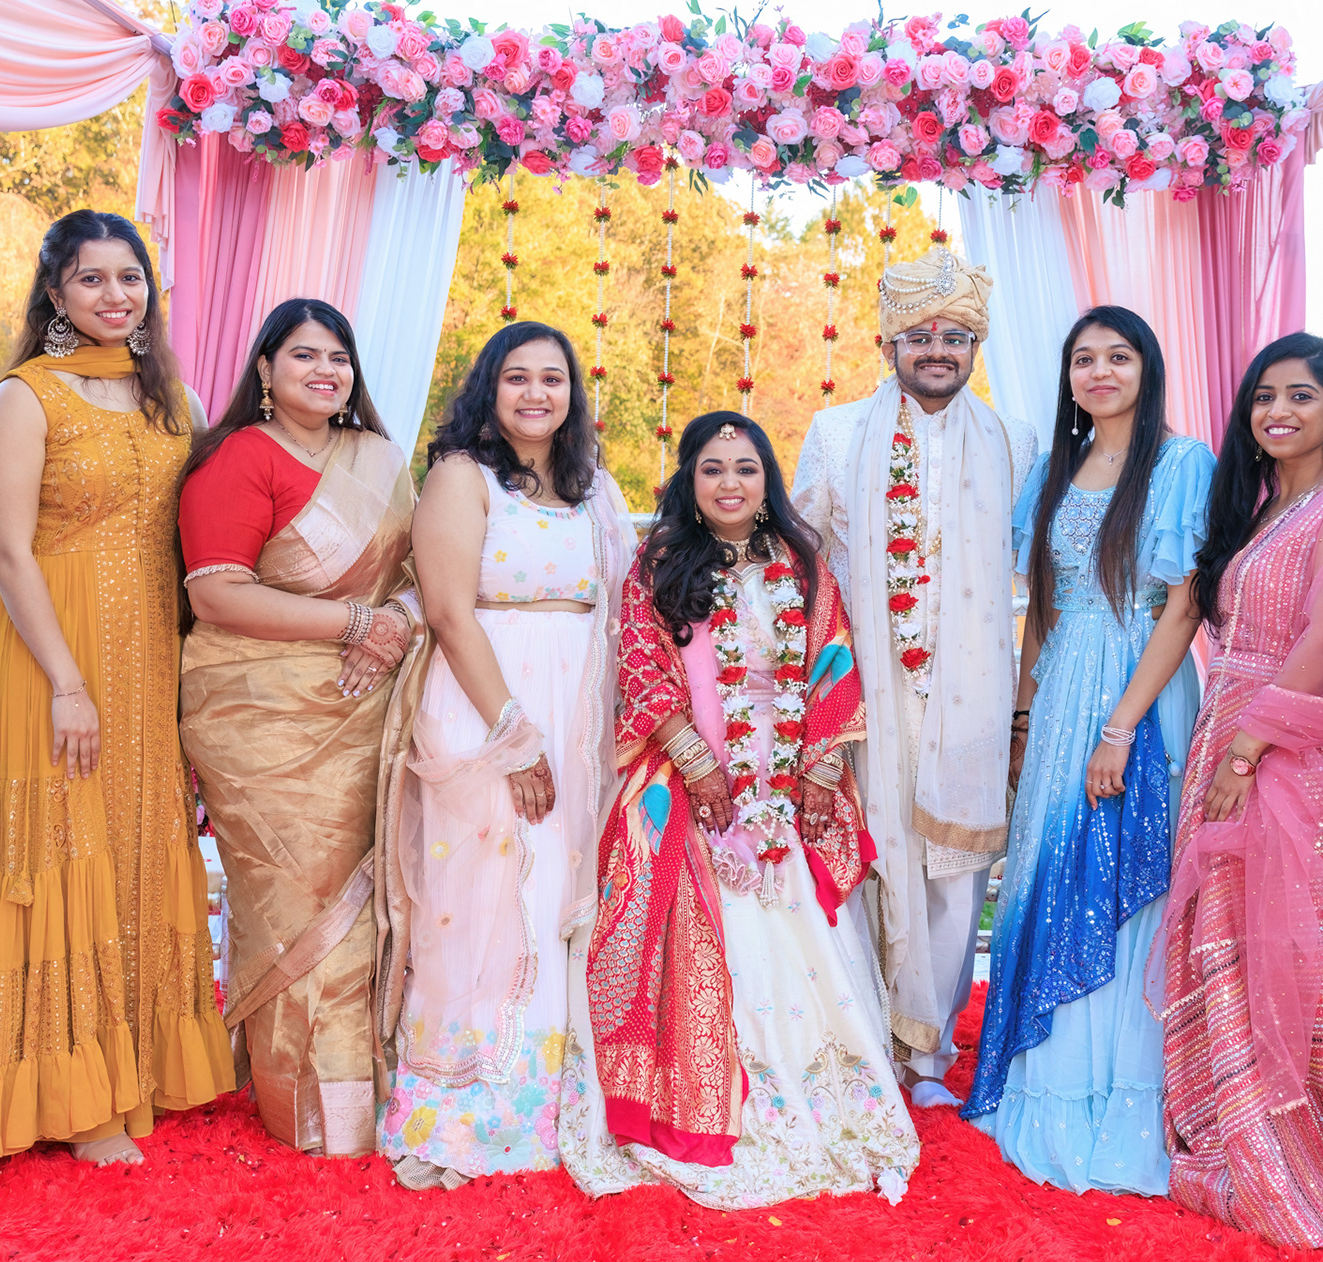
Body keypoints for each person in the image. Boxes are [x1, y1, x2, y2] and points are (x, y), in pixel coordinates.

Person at [0, 210, 233, 1165]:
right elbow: (8, 552)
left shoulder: (170, 398)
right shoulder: (24, 398)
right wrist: (65, 680)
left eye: (129, 276)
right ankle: (71, 1094)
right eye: (91, 279)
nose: (114, 295)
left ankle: (137, 1061)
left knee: (138, 840)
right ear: (56, 294)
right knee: (63, 846)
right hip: (50, 658)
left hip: (147, 658)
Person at [561, 412, 918, 1208]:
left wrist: (819, 763)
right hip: (689, 766)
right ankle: (704, 1095)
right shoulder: (660, 564)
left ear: (768, 480)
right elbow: (642, 665)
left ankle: (815, 1094)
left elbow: (834, 658)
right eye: (713, 468)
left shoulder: (801, 563)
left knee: (798, 916)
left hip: (784, 770)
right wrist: (696, 763)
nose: (730, 483)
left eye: (746, 468)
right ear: (688, 480)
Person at [1148, 333, 1323, 1247]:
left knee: (1298, 947)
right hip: (1237, 735)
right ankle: (1241, 1124)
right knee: (1236, 936)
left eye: (1301, 396)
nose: (1278, 411)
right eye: (1265, 396)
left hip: (1301, 752)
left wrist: (1249, 747)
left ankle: (1311, 1145)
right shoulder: (1261, 510)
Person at [374, 321, 634, 1190]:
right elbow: (450, 612)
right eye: (517, 376)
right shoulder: (462, 476)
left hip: (578, 714)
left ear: (572, 394)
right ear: (489, 387)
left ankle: (558, 1098)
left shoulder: (595, 487)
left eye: (552, 378)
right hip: (488, 705)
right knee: (480, 896)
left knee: (561, 893)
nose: (535, 393)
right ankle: (470, 1099)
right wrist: (514, 734)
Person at [961, 307, 1213, 1195]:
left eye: (1118, 356)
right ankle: (1047, 1081)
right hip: (1063, 684)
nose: (1100, 371)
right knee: (1049, 867)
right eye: (1084, 359)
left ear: (1148, 369)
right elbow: (1045, 605)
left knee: (1121, 875)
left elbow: (1185, 605)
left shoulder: (1181, 464)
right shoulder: (1052, 470)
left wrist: (1121, 726)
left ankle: (1121, 1096)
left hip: (1139, 688)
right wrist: (1024, 721)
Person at [792, 247, 1038, 1108]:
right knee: (863, 854)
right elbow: (802, 566)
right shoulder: (835, 433)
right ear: (889, 342)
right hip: (865, 692)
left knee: (953, 871)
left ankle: (928, 1057)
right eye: (921, 335)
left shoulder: (1015, 442)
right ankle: (863, 1039)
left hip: (971, 690)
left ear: (975, 346)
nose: (939, 350)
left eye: (956, 336)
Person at [176, 298, 416, 1159]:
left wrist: (396, 622)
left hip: (367, 700)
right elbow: (216, 593)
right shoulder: (238, 457)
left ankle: (373, 1087)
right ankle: (307, 1108)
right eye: (305, 355)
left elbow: (421, 570)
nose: (326, 371)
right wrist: (357, 623)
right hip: (259, 716)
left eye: (338, 357)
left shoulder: (380, 458)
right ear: (266, 370)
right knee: (293, 899)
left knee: (372, 900)